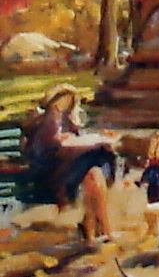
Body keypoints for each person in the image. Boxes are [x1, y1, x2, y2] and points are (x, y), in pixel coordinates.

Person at [22, 85, 116, 244]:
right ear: (53, 101)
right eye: (62, 100)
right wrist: (69, 143)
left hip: (70, 170)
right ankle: (102, 228)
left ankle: (94, 228)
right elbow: (46, 152)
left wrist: (92, 139)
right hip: (52, 175)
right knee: (95, 168)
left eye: (68, 101)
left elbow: (74, 140)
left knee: (95, 174)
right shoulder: (46, 121)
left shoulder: (66, 120)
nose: (64, 104)